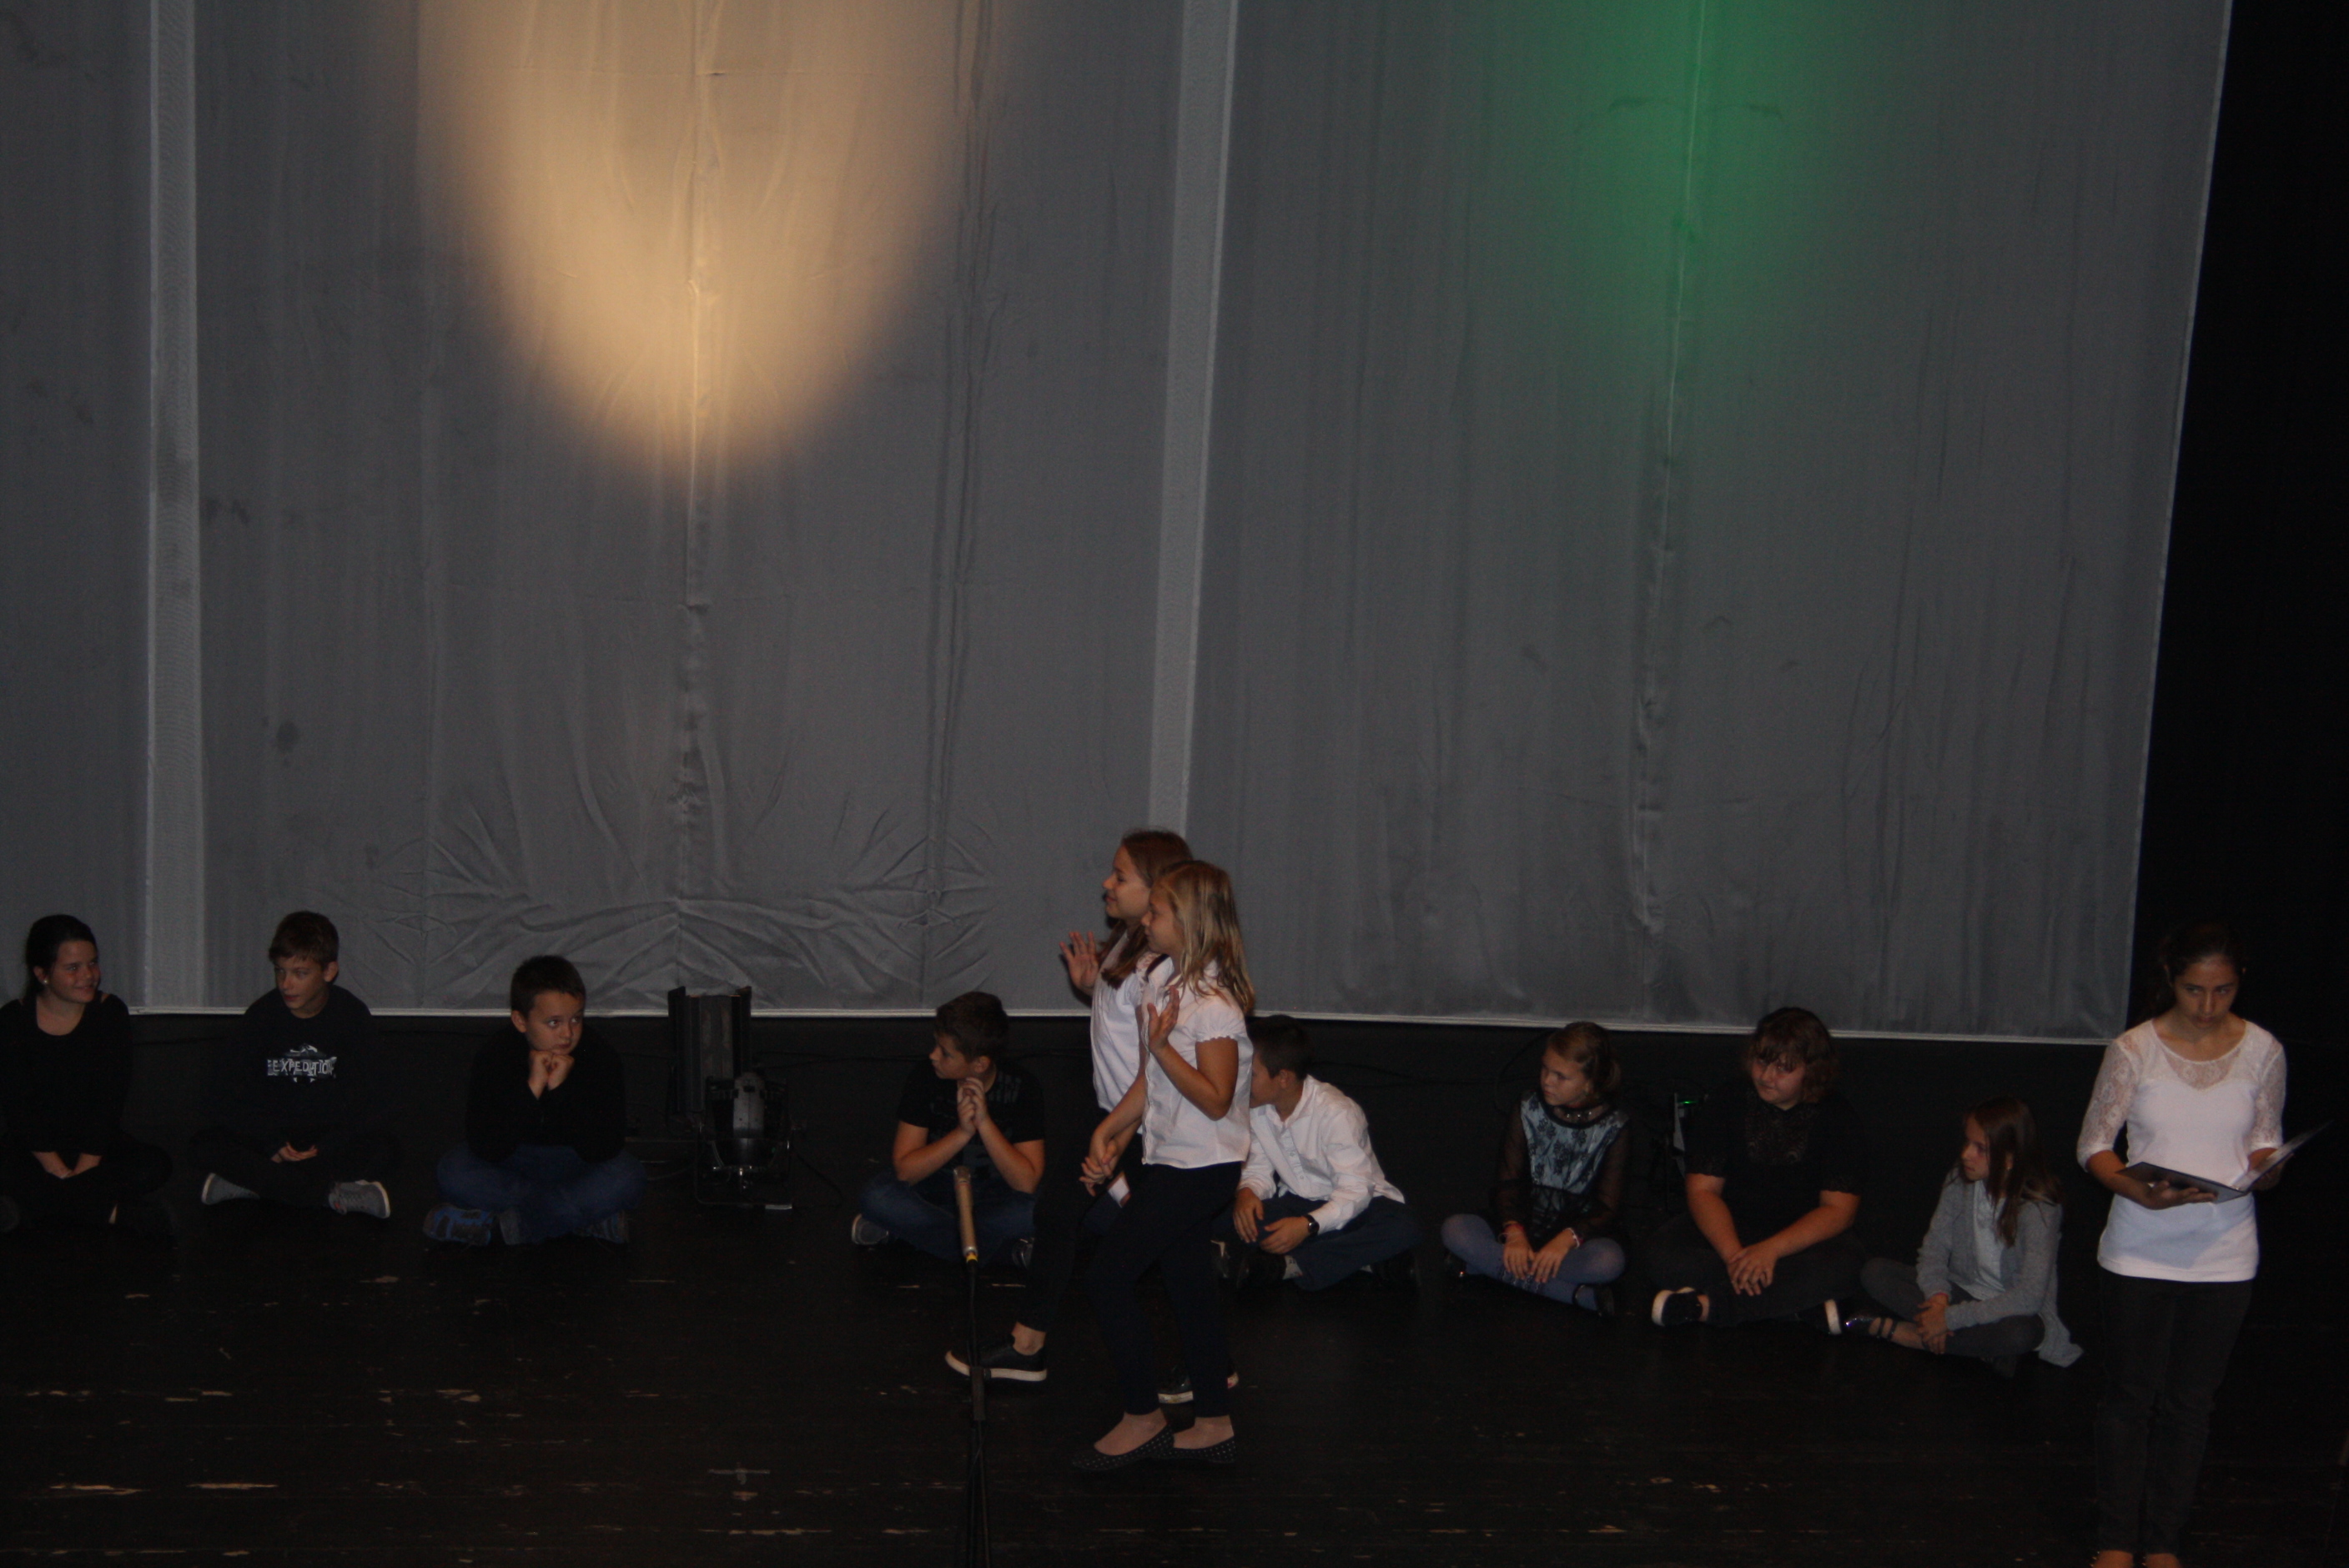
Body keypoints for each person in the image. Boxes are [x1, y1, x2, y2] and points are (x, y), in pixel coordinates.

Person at [948, 828, 1191, 1383]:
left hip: (1146, 1127)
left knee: (1173, 1246)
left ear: (1157, 889)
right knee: (1058, 1212)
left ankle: (1212, 1365)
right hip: (1115, 1116)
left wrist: (1115, 1138)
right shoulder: (1128, 944)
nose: (1107, 883)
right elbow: (1121, 1026)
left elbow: (1155, 1072)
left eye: (1121, 876)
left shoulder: (1160, 968)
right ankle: (1028, 1345)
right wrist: (1090, 985)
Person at [2080, 922, 2286, 1568]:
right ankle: (2116, 1537)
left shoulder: (2264, 1050)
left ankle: (2165, 1542)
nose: (2207, 1005)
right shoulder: (2134, 1048)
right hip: (2139, 1247)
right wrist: (2133, 1189)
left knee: (2191, 1406)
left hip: (2225, 1254)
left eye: (2223, 991)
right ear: (2171, 980)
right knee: (2128, 1398)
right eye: (2195, 989)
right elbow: (2094, 1144)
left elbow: (2264, 1138)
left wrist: (2269, 1167)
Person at [1074, 860, 1254, 1470]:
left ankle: (1142, 1416)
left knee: (1108, 1277)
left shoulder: (1214, 1006)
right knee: (1188, 1283)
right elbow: (1152, 1081)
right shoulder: (1160, 979)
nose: (1144, 920)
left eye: (1155, 912)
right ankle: (1214, 1422)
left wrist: (1158, 1048)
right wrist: (1110, 1131)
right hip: (1168, 1154)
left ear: (1190, 922)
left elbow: (1216, 1098)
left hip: (1205, 1166)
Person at [1647, 1007, 1867, 1331]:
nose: (1766, 1076)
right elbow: (1702, 1191)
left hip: (1797, 1241)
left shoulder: (1837, 1116)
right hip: (1731, 1230)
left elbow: (1839, 1211)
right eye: (1762, 1062)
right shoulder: (1728, 1100)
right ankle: (1795, 1310)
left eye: (1783, 1069)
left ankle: (1706, 1307)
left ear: (1811, 1071)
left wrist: (1770, 1251)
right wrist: (1735, 1257)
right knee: (1662, 1253)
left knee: (1847, 1263)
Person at [187, 912, 401, 1219]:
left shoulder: (350, 1015)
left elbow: (382, 1098)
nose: (286, 984)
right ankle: (330, 1194)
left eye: (300, 973)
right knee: (203, 1145)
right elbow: (216, 1095)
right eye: (280, 971)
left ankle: (255, 1185)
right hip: (273, 1140)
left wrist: (330, 1144)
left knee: (386, 1149)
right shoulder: (262, 1015)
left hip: (326, 1142)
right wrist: (270, 1141)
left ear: (329, 971)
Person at [1848, 1095, 2080, 1373]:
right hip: (1961, 1293)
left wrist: (1949, 1319)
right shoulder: (1959, 1181)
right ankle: (1976, 1347)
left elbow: (2029, 1297)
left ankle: (1910, 1335)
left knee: (2022, 1333)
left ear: (2009, 1158)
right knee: (1876, 1272)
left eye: (1980, 1148)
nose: (1966, 1154)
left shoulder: (2039, 1207)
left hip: (2008, 1310)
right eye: (1967, 1142)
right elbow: (1934, 1248)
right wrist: (1938, 1300)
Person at [424, 955, 645, 1245]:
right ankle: (582, 1218)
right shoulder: (496, 1054)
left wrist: (561, 1091)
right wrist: (533, 1087)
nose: (567, 1033)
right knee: (454, 1172)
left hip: (575, 1163)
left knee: (627, 1176)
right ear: (521, 1021)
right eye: (554, 1023)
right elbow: (487, 1145)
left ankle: (503, 1229)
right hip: (514, 1163)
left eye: (576, 1019)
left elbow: (603, 1147)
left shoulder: (599, 1056)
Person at [1439, 1022, 1630, 1315]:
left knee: (1608, 1261)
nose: (1547, 1081)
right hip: (1524, 1222)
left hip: (1573, 1236)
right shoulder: (1529, 1106)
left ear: (1589, 1083)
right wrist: (1514, 1233)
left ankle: (1486, 1266)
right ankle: (1574, 1294)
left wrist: (1566, 1240)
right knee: (1455, 1229)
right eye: (1545, 1069)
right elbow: (1507, 1182)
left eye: (1561, 1076)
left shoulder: (1614, 1125)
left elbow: (1607, 1207)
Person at [0, 915, 172, 1236]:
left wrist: (82, 1173)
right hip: (35, 1150)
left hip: (94, 1148)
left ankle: (29, 1209)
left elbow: (109, 1101)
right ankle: (112, 1212)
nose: (88, 975)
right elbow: (19, 1107)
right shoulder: (13, 1020)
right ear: (42, 974)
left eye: (92, 964)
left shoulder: (109, 1013)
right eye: (73, 968)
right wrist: (56, 1169)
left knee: (155, 1164)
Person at [1222, 1015, 1419, 1289]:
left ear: (1283, 1078)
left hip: (1360, 1206)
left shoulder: (1336, 1113)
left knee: (1402, 1226)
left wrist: (1307, 1226)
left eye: (1250, 1074)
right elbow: (1258, 1169)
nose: (1240, 1080)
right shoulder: (1257, 1108)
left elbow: (1356, 1191)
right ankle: (1365, 1261)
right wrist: (1247, 1192)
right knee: (1232, 1220)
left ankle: (1290, 1265)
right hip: (1299, 1203)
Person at [853, 992, 1045, 1264]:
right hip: (936, 1188)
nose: (933, 1056)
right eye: (936, 1045)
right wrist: (962, 1134)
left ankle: (908, 1234)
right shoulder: (925, 1077)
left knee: (1041, 1209)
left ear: (979, 1064)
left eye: (945, 1053)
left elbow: (1026, 1183)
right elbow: (906, 1169)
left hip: (996, 1193)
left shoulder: (1023, 1086)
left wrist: (984, 1123)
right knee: (878, 1197)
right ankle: (1004, 1251)